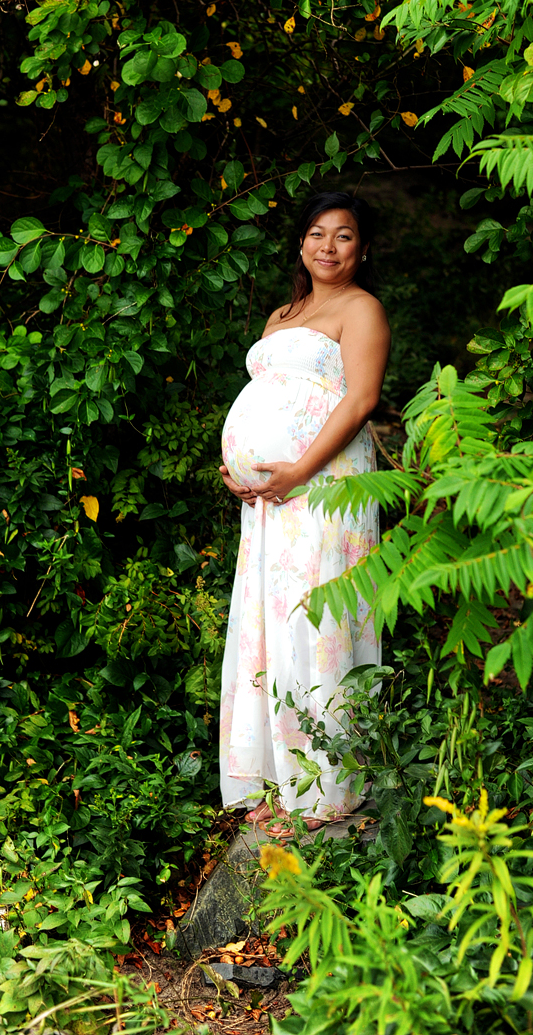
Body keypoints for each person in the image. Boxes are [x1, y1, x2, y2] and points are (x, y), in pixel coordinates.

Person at [217, 190, 391, 836]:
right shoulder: (280, 315)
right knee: (269, 623)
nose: (328, 245)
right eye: (317, 233)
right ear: (300, 244)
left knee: (315, 624)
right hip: (269, 504)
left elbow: (360, 401)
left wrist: (298, 468)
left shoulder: (362, 310)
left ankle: (324, 788)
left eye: (343, 235)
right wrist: (244, 464)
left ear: (362, 248)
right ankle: (279, 779)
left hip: (325, 488)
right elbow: (266, 398)